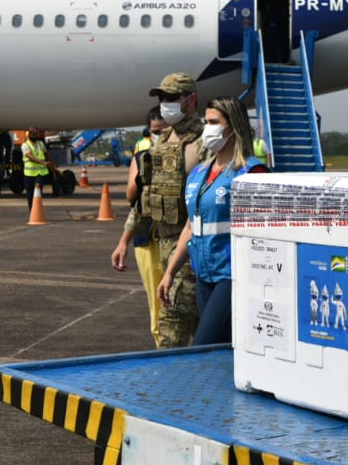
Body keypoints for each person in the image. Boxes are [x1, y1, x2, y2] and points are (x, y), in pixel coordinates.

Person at [157, 97, 268, 346]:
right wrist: (170, 273)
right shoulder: (198, 173)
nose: (208, 129)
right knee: (221, 348)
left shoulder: (251, 172)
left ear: (233, 127)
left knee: (203, 345)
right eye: (206, 122)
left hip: (233, 275)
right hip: (204, 275)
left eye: (214, 122)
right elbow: (190, 227)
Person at [110, 73, 203, 348]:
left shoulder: (204, 140)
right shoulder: (162, 141)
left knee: (171, 325)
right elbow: (147, 195)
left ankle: (170, 372)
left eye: (171, 97)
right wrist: (124, 240)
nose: (164, 103)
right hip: (162, 243)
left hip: (190, 246)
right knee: (190, 325)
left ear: (191, 100)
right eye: (161, 98)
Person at [125, 106, 167, 341]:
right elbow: (133, 200)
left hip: (176, 237)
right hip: (148, 236)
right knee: (156, 302)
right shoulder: (142, 157)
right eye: (155, 132)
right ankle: (161, 344)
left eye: (164, 131)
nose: (159, 136)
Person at [21, 126, 52, 208]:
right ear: (29, 134)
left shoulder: (41, 144)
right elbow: (30, 157)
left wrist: (51, 164)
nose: (35, 136)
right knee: (30, 195)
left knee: (38, 191)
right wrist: (43, 162)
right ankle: (32, 212)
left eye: (36, 134)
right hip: (29, 174)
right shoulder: (25, 145)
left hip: (40, 173)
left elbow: (46, 154)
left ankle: (38, 210)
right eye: (34, 134)